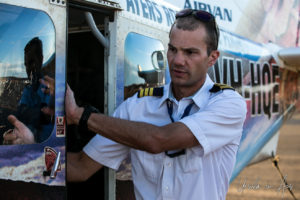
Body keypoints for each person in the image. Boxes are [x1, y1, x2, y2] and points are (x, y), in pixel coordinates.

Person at [67, 9, 247, 200]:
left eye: (190, 52)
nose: (177, 61)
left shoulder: (228, 103)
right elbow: (80, 167)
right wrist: (34, 147)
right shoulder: (137, 105)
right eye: (173, 49)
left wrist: (80, 115)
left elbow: (158, 140)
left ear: (212, 58)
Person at [3, 37, 54, 144]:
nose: (28, 69)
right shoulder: (29, 89)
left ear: (41, 59)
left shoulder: (51, 88)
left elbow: (45, 118)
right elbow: (21, 113)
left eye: (31, 62)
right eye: (26, 65)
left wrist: (36, 115)